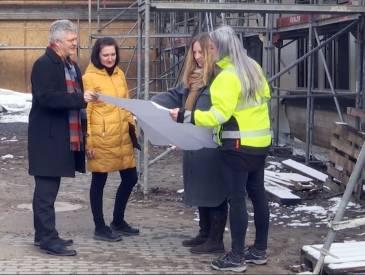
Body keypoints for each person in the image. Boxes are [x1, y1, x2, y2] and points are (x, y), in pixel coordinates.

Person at [171, 25, 271, 273]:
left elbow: (219, 115)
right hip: (260, 143)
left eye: (212, 48)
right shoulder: (254, 68)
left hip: (237, 145)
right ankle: (259, 250)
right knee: (258, 195)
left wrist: (186, 117)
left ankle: (236, 256)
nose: (208, 52)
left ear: (222, 49)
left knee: (236, 199)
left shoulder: (227, 76)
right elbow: (266, 96)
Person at [152, 33, 228, 254]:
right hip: (193, 141)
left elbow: (220, 112)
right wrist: (149, 104)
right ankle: (204, 233)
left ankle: (216, 240)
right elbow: (175, 95)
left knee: (214, 191)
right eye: (194, 52)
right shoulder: (194, 78)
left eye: (201, 52)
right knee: (199, 188)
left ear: (212, 51)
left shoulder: (220, 78)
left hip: (213, 143)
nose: (197, 57)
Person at [28, 19, 97, 256]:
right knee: (46, 192)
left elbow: (75, 99)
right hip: (47, 139)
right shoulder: (44, 65)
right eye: (71, 40)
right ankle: (47, 239)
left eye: (75, 39)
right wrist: (80, 99)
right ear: (57, 42)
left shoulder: (70, 66)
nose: (75, 44)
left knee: (49, 189)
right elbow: (46, 97)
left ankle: (43, 235)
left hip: (60, 138)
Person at [82, 37, 140, 242]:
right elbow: (86, 112)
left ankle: (118, 221)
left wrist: (133, 129)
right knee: (99, 180)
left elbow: (125, 103)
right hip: (101, 138)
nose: (109, 58)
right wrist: (87, 141)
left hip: (122, 136)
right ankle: (100, 226)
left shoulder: (120, 74)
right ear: (97, 55)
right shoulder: (89, 77)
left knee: (131, 178)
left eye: (113, 54)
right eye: (105, 55)